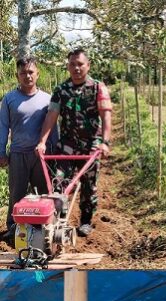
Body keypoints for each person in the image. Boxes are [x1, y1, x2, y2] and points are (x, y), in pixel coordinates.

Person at [35, 48, 112, 238]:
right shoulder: (61, 90)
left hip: (90, 145)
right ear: (67, 66)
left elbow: (106, 115)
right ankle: (60, 219)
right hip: (67, 144)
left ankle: (86, 221)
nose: (76, 68)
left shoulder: (97, 87)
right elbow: (52, 115)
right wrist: (42, 142)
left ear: (88, 65)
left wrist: (105, 142)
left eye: (80, 64)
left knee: (88, 185)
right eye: (72, 64)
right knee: (59, 182)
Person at [0, 57, 58, 245]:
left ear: (37, 74)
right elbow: (3, 127)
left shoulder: (46, 99)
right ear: (17, 75)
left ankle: (44, 226)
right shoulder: (9, 99)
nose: (27, 76)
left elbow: (53, 129)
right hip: (17, 154)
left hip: (40, 156)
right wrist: (1, 151)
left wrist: (54, 153)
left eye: (31, 72)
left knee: (43, 193)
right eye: (23, 72)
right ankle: (13, 228)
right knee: (16, 193)